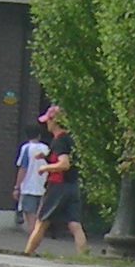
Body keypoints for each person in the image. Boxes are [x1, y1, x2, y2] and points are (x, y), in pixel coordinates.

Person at [26, 105, 92, 259]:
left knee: (41, 222)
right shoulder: (70, 139)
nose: (46, 124)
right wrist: (46, 157)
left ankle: (27, 253)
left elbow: (64, 164)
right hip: (72, 186)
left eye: (48, 121)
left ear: (54, 121)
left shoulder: (59, 141)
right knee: (75, 224)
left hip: (57, 186)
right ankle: (84, 257)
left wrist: (45, 168)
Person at [13, 120, 50, 234]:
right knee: (40, 218)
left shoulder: (26, 148)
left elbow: (23, 168)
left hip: (29, 187)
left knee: (31, 219)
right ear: (39, 134)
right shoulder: (47, 148)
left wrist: (17, 187)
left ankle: (32, 244)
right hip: (44, 187)